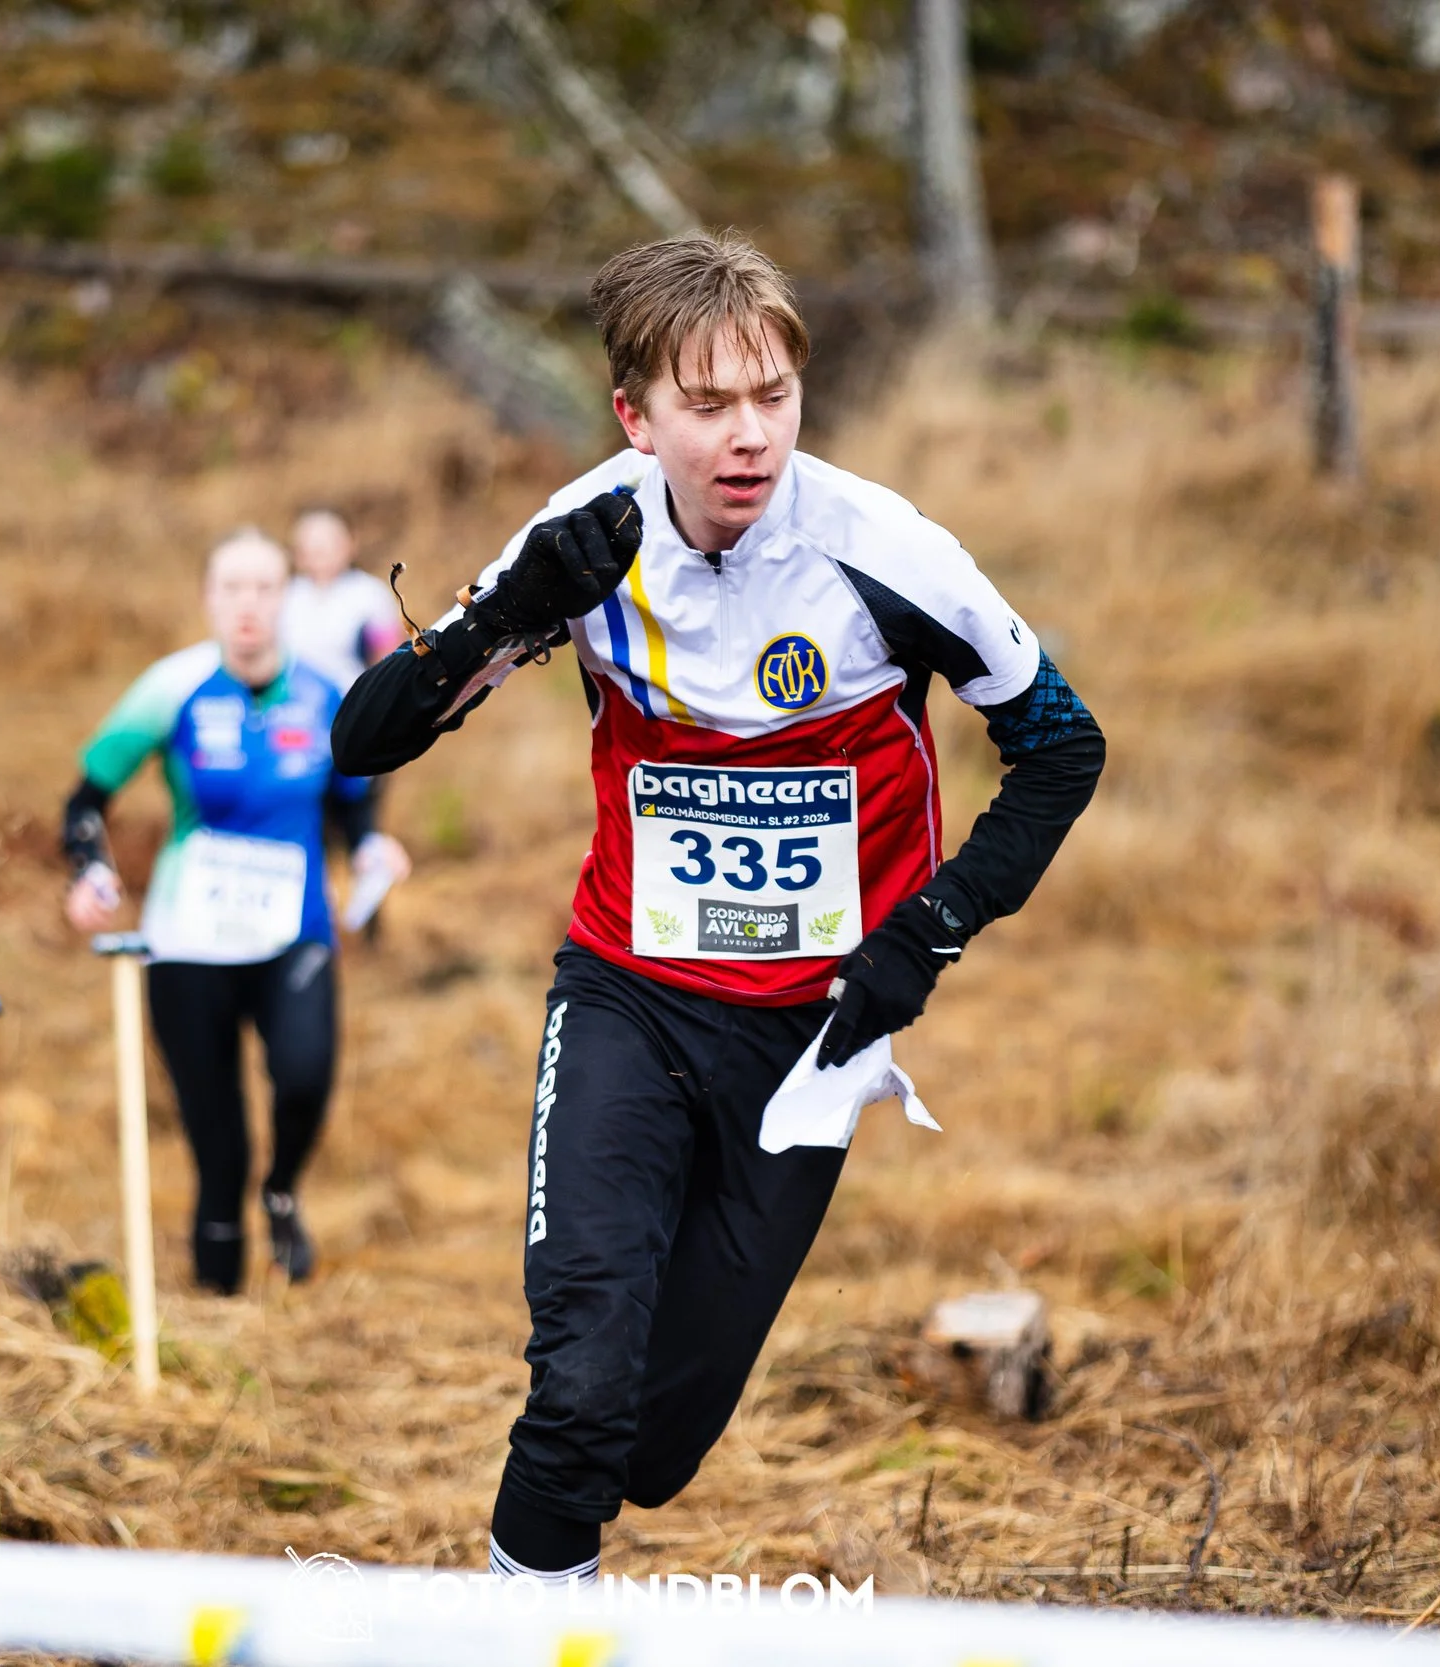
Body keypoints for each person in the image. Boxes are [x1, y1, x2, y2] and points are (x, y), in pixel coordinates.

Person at [332, 233, 1105, 1584]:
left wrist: (927, 931)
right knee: (575, 1396)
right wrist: (504, 613)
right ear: (635, 416)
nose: (751, 436)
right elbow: (367, 738)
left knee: (650, 1444)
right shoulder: (583, 541)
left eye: (775, 395)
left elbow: (1064, 748)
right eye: (709, 406)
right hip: (626, 992)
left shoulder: (887, 551)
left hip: (810, 1040)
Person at [61, 528, 410, 1294]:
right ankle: (222, 1319)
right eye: (231, 588)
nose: (247, 606)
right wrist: (90, 870)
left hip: (293, 932)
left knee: (305, 1076)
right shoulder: (171, 686)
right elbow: (85, 801)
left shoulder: (327, 692)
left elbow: (355, 802)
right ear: (207, 599)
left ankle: (282, 1188)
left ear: (287, 598)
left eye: (263, 588)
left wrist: (373, 846)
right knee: (217, 1145)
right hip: (188, 940)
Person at [282, 507, 407, 692]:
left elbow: (390, 659)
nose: (320, 549)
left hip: (351, 703)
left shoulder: (370, 594)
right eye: (311, 542)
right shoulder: (285, 594)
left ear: (351, 542)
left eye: (328, 541)